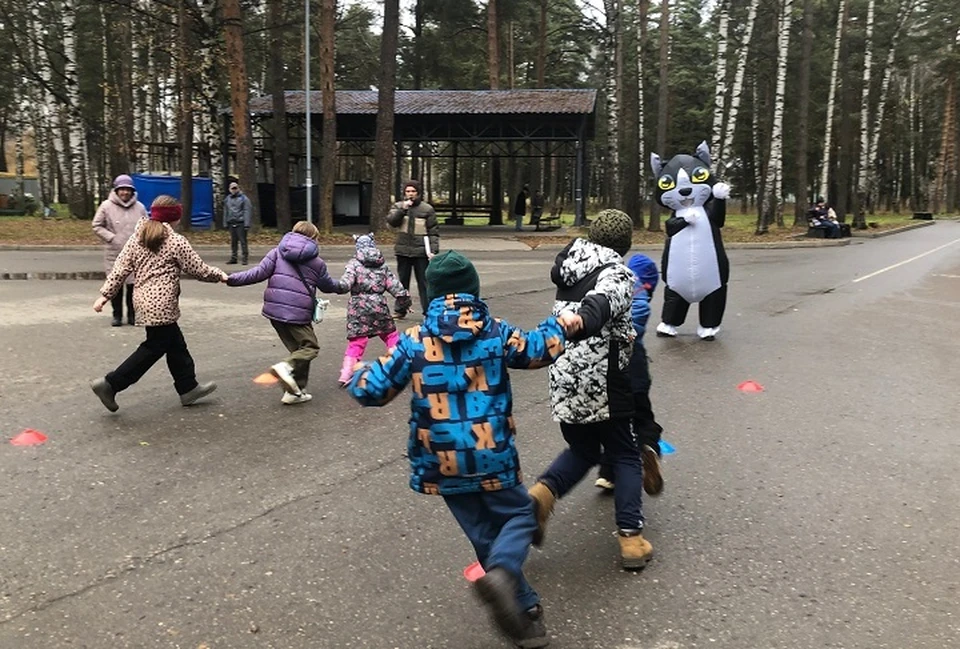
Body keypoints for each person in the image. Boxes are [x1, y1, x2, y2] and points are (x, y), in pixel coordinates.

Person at [347, 250, 580, 648]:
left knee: (483, 533)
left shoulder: (413, 340)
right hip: (492, 453)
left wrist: (359, 374)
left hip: (441, 461)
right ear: (475, 290)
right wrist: (562, 324)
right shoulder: (495, 331)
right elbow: (536, 349)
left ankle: (524, 610)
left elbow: (374, 390)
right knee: (521, 515)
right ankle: (504, 575)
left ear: (430, 294)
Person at [526, 209, 654, 571]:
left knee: (583, 448)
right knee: (625, 453)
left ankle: (542, 495)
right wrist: (583, 320)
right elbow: (602, 302)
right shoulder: (618, 273)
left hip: (565, 375)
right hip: (604, 379)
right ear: (624, 245)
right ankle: (631, 538)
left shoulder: (571, 263)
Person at [90, 195, 227, 412]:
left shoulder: (137, 238)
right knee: (154, 347)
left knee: (175, 344)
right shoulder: (176, 241)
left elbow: (120, 269)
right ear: (174, 218)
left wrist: (105, 295)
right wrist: (220, 275)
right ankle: (111, 384)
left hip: (143, 302)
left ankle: (188, 387)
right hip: (163, 304)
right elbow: (198, 269)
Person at [226, 220, 346, 404]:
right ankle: (286, 367)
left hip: (274, 311)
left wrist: (231, 279)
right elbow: (328, 285)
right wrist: (345, 286)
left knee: (298, 350)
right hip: (297, 314)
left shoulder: (276, 252)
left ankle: (295, 392)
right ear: (313, 237)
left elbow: (257, 273)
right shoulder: (317, 262)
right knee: (310, 348)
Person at [595, 253, 665, 497]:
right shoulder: (638, 289)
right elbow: (640, 312)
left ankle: (608, 473)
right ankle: (648, 446)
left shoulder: (609, 280)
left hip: (608, 365)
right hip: (634, 365)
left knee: (613, 421)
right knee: (642, 415)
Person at [336, 233, 412, 386]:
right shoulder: (382, 265)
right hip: (379, 306)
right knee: (390, 335)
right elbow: (396, 287)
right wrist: (405, 302)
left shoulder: (353, 264)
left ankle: (346, 373)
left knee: (357, 341)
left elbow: (345, 284)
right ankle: (400, 364)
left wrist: (335, 286)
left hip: (357, 308)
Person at [92, 174, 148, 326]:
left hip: (136, 254)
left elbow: (147, 226)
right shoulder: (106, 206)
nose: (125, 192)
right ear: (116, 190)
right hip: (114, 253)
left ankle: (132, 315)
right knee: (115, 286)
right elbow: (97, 225)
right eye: (122, 189)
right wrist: (112, 238)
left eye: (128, 189)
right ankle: (117, 315)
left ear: (132, 191)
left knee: (133, 287)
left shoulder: (140, 207)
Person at [386, 180, 439, 319]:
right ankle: (400, 309)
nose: (410, 194)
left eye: (413, 191)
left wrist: (433, 250)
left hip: (421, 252)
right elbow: (392, 221)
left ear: (418, 193)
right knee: (402, 282)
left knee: (424, 282)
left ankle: (428, 311)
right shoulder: (398, 206)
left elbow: (433, 232)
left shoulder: (427, 209)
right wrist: (402, 210)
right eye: (408, 191)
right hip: (403, 250)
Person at [223, 181, 253, 265]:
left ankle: (245, 258)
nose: (234, 190)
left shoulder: (244, 199)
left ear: (238, 188)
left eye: (235, 188)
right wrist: (225, 222)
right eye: (232, 188)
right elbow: (226, 211)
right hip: (231, 222)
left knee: (243, 241)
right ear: (229, 189)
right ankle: (234, 257)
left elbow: (247, 211)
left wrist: (247, 224)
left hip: (241, 222)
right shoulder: (227, 199)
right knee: (233, 241)